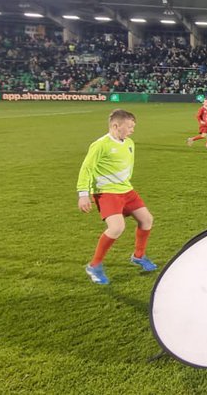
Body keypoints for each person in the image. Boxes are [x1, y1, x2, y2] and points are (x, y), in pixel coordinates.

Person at [76, 109, 156, 285]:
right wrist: (83, 194)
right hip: (107, 192)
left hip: (126, 190)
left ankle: (138, 256)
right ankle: (94, 265)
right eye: (129, 126)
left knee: (147, 220)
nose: (132, 130)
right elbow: (86, 168)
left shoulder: (129, 143)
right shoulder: (100, 144)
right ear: (115, 126)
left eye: (133, 127)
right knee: (117, 227)